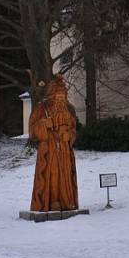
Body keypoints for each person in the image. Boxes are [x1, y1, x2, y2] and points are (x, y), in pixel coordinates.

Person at [29, 75, 79, 212]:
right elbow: (32, 131)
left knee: (66, 175)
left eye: (63, 96)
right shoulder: (41, 108)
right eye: (58, 96)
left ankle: (67, 201)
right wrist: (44, 124)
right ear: (52, 95)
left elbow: (74, 129)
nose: (61, 98)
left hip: (64, 148)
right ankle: (52, 200)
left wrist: (70, 135)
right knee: (53, 175)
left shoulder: (69, 109)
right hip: (50, 148)